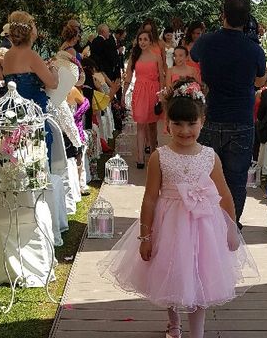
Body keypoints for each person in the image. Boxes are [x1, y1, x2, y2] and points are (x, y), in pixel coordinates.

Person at [99, 78, 258, 338]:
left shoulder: (210, 156)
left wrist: (231, 229)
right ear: (167, 124)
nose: (185, 130)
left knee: (200, 279)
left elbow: (224, 193)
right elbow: (150, 198)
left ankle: (198, 332)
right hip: (170, 222)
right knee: (171, 271)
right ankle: (174, 323)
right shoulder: (159, 157)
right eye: (178, 124)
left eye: (191, 123)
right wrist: (145, 236)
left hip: (204, 225)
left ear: (202, 122)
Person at [191, 0, 266, 226]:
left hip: (212, 116)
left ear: (222, 14)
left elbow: (194, 55)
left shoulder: (206, 41)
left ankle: (207, 224)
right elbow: (260, 81)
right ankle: (231, 225)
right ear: (247, 18)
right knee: (235, 179)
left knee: (205, 177)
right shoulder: (254, 49)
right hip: (241, 120)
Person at [2, 11, 59, 159]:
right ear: (30, 31)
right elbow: (53, 83)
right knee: (38, 156)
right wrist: (53, 68)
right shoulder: (31, 55)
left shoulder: (7, 56)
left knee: (19, 156)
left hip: (13, 113)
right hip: (33, 116)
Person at [124, 30, 165, 169]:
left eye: (145, 39)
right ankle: (140, 157)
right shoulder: (134, 56)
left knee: (152, 125)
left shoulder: (156, 57)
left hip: (154, 91)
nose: (142, 42)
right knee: (140, 124)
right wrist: (123, 94)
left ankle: (154, 154)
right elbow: (128, 76)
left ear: (150, 41)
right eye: (140, 39)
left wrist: (162, 93)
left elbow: (162, 76)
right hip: (140, 91)